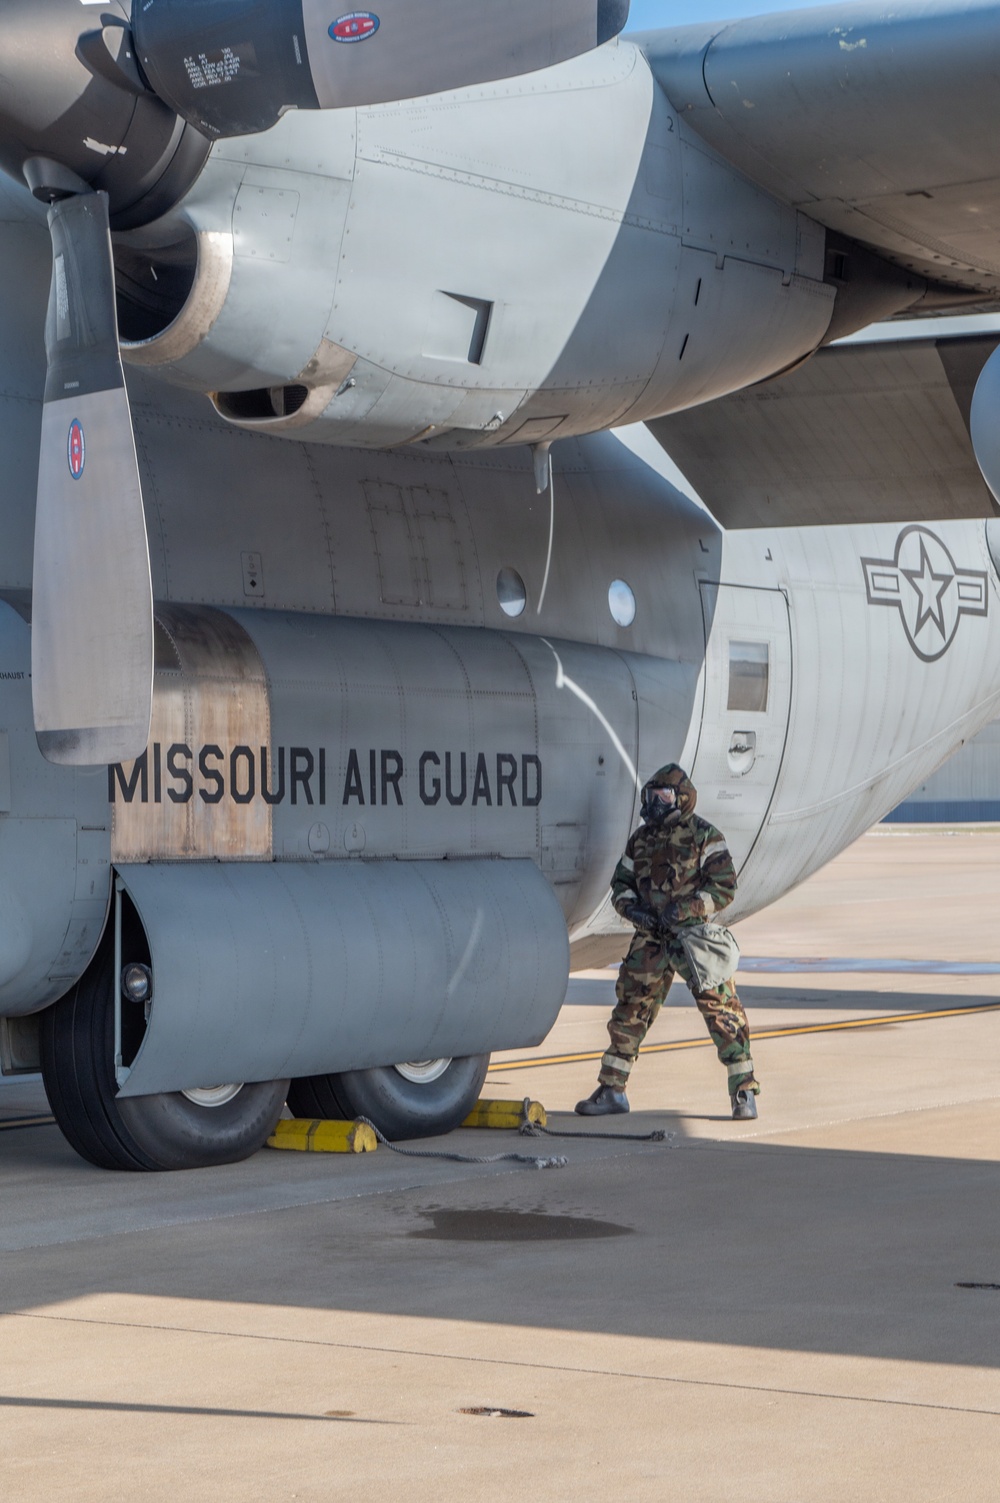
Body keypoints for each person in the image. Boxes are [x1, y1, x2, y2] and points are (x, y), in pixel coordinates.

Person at [576, 762, 760, 1120]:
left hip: (692, 937)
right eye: (652, 796)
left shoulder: (704, 835)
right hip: (651, 937)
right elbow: (621, 885)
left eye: (664, 796)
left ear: (683, 799)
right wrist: (634, 912)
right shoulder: (641, 840)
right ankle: (613, 1089)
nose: (656, 804)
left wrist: (688, 908)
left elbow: (724, 887)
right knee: (630, 1010)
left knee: (723, 1012)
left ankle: (743, 1091)